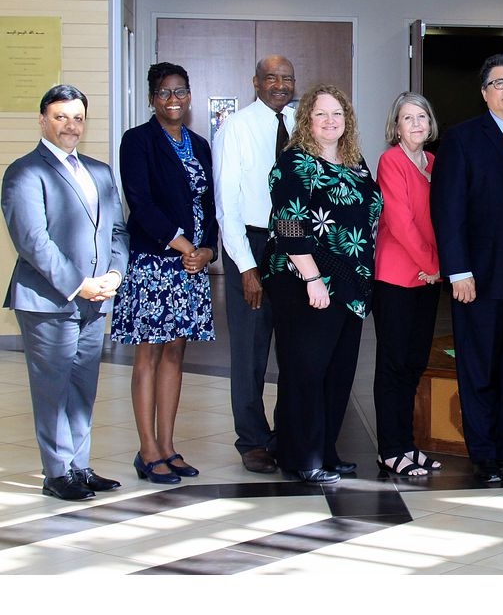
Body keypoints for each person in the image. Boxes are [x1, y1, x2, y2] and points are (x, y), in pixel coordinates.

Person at [2, 84, 128, 500]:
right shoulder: (24, 172)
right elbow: (33, 241)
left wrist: (113, 273)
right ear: (43, 121)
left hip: (95, 299)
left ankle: (78, 466)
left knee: (82, 387)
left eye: (77, 118)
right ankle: (56, 474)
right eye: (60, 117)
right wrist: (80, 284)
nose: (70, 126)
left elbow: (116, 230)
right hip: (48, 302)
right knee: (53, 389)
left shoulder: (99, 171)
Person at [261, 85, 382, 485]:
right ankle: (301, 456)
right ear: (306, 121)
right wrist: (313, 278)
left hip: (350, 284)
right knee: (306, 371)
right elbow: (290, 224)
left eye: (338, 115)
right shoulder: (294, 163)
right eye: (321, 114)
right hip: (304, 281)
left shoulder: (355, 162)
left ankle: (326, 451)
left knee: (338, 372)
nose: (331, 121)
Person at [432, 53, 503, 485]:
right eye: (499, 83)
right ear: (484, 92)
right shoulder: (462, 139)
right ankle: (484, 453)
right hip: (479, 277)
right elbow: (448, 209)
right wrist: (458, 270)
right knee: (479, 368)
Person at [112, 62, 218, 484]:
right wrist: (183, 245)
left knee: (176, 353)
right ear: (152, 99)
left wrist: (207, 249)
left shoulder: (200, 145)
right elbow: (140, 202)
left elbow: (210, 207)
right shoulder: (137, 142)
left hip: (191, 266)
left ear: (189, 95)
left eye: (180, 92)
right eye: (164, 93)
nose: (173, 100)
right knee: (149, 354)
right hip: (154, 261)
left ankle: (169, 446)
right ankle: (147, 449)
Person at [212, 54, 296, 474]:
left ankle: (287, 433)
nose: (280, 85)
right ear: (255, 82)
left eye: (287, 78)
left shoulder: (304, 124)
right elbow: (226, 206)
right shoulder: (236, 128)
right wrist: (246, 267)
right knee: (250, 350)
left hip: (297, 244)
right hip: (255, 243)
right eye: (271, 78)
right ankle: (252, 439)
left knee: (294, 347)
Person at [372, 92, 444, 478]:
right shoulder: (391, 161)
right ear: (395, 127)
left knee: (414, 364)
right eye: (407, 118)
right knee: (393, 365)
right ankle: (390, 448)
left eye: (422, 117)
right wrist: (433, 265)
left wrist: (436, 269)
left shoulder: (433, 162)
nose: (416, 124)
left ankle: (408, 445)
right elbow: (400, 223)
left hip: (427, 279)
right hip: (397, 278)